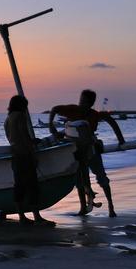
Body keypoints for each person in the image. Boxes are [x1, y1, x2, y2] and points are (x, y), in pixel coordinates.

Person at [49, 89, 125, 217]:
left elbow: (111, 121)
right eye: (81, 100)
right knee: (80, 180)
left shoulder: (94, 114)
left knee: (102, 177)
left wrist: (121, 140)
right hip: (77, 151)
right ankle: (83, 207)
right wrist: (51, 126)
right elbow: (55, 109)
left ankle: (111, 206)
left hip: (91, 150)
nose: (81, 103)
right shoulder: (73, 109)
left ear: (91, 103)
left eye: (84, 102)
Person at [3, 95, 54, 226]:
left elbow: (12, 138)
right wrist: (32, 151)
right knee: (32, 185)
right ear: (21, 105)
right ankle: (37, 217)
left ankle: (22, 216)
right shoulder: (20, 116)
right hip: (25, 155)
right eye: (25, 105)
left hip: (15, 155)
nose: (26, 109)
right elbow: (24, 136)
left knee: (19, 186)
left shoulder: (8, 119)